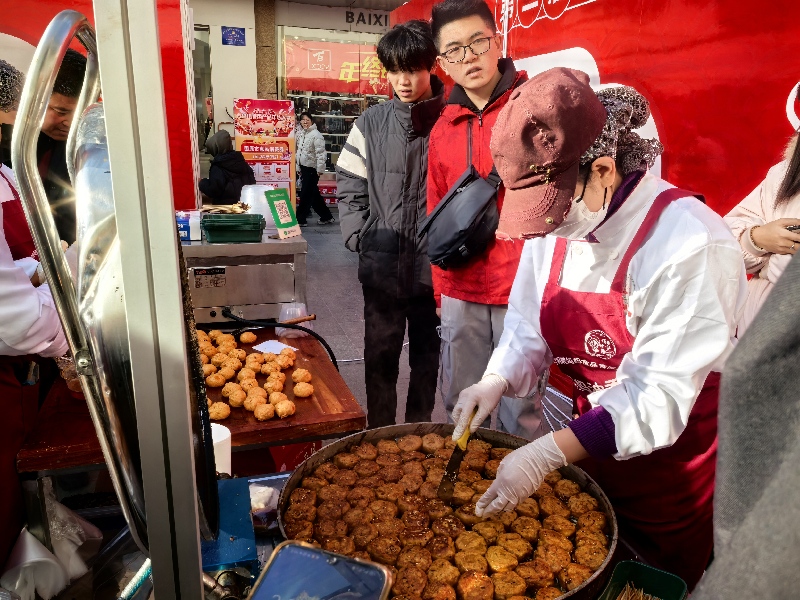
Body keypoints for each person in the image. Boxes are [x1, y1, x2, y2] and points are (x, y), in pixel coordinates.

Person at [451, 68, 746, 589]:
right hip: (581, 455)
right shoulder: (563, 216)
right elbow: (526, 322)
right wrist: (495, 379)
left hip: (663, 476)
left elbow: (656, 398)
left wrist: (544, 452)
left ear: (605, 170)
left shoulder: (690, 244)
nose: (547, 228)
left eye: (553, 212)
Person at [427, 0, 530, 436]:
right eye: (454, 50)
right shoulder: (443, 127)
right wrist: (440, 294)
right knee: (461, 401)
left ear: (497, 40)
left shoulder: (534, 109)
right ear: (442, 62)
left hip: (522, 287)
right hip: (460, 290)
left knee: (520, 406)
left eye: (477, 42)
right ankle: (463, 491)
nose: (468, 57)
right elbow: (435, 212)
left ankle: (513, 495)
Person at [337, 20, 445, 427]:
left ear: (431, 67)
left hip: (433, 270)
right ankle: (378, 435)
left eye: (413, 69)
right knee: (379, 357)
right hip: (381, 268)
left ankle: (417, 434)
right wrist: (357, 234)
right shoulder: (370, 124)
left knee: (427, 360)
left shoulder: (450, 121)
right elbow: (349, 182)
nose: (404, 80)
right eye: (395, 70)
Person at [0, 60, 69, 569]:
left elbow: (19, 262)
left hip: (22, 369)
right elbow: (19, 322)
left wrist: (50, 266)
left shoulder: (8, 172)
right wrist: (68, 329)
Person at [724, 130, 800, 335]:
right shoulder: (785, 173)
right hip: (756, 339)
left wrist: (769, 266)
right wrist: (756, 238)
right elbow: (722, 247)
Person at [36, 48, 86, 245]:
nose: (71, 122)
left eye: (80, 111)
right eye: (61, 111)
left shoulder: (87, 147)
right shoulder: (12, 145)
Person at [296, 112, 334, 226]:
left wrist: (320, 169)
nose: (305, 122)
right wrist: (298, 166)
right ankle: (326, 217)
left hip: (312, 169)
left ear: (311, 121)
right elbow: (299, 152)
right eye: (303, 120)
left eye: (307, 120)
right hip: (304, 167)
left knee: (306, 194)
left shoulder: (316, 135)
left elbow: (321, 154)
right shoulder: (302, 134)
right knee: (313, 194)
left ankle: (300, 219)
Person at [198, 129, 256, 204]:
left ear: (216, 148)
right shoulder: (241, 162)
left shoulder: (218, 166)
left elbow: (214, 191)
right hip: (244, 206)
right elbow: (252, 183)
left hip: (226, 210)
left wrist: (202, 182)